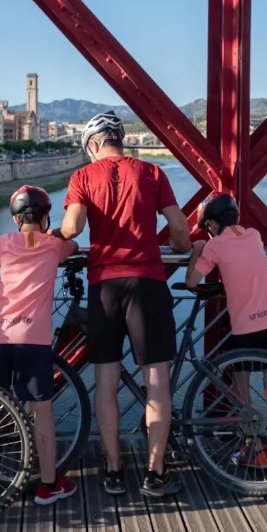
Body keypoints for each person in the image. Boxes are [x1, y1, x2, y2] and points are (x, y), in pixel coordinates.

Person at [56, 111, 191, 498]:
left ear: (93, 145)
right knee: (157, 380)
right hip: (147, 282)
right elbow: (178, 227)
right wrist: (181, 249)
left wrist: (56, 233)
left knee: (106, 382)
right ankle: (155, 471)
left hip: (104, 286)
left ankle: (114, 469)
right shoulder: (151, 172)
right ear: (121, 140)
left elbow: (73, 228)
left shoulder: (83, 177)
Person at [0, 185, 79, 505]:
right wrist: (56, 234)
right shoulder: (52, 246)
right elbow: (72, 245)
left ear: (15, 217)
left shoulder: (5, 242)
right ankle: (48, 484)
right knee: (41, 410)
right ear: (47, 215)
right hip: (33, 339)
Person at [184, 192, 267, 471]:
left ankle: (253, 449)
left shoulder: (214, 246)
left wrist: (197, 251)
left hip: (246, 332)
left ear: (213, 224)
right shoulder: (254, 235)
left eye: (208, 226)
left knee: (242, 394)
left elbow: (192, 281)